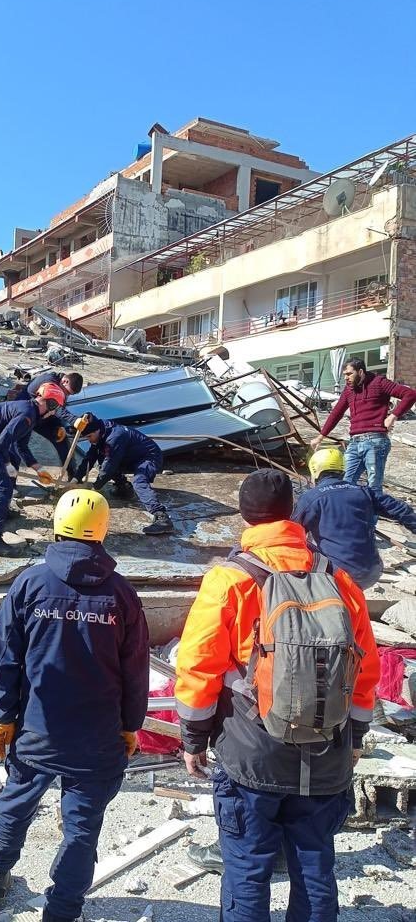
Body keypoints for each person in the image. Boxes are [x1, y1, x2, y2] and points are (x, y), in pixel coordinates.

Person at [175, 469, 379, 922]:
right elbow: (365, 667)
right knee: (314, 865)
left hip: (252, 751)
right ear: (293, 514)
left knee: (248, 866)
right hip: (326, 750)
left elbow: (198, 664)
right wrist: (357, 737)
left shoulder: (231, 579)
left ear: (245, 517)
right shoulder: (339, 579)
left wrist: (193, 738)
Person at [0, 489, 149, 922]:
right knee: (82, 827)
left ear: (56, 527)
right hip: (98, 736)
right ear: (103, 532)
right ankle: (62, 911)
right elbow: (135, 670)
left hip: (38, 727)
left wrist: (4, 716)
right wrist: (131, 725)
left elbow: (5, 658)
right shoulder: (122, 595)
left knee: (15, 803)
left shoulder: (29, 584)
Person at [293, 446, 416, 589]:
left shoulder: (310, 498)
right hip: (371, 571)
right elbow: (401, 510)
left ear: (314, 471)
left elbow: (290, 530)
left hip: (337, 574)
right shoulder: (364, 491)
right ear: (342, 470)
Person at [0, 386, 65, 557]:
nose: (54, 413)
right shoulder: (27, 414)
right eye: (55, 408)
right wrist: (7, 463)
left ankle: (2, 509)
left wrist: (38, 469)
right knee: (2, 488)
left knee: (9, 472)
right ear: (50, 403)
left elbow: (21, 445)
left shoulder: (31, 414)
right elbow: (3, 442)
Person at [311, 357, 416, 494]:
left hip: (375, 441)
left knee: (373, 487)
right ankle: (349, 514)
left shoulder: (379, 382)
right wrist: (320, 437)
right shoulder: (349, 390)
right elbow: (336, 413)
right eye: (344, 375)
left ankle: (372, 515)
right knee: (344, 484)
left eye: (349, 374)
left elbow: (410, 394)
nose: (346, 378)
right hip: (354, 442)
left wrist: (392, 416)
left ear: (360, 372)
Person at [74, 418, 173, 535]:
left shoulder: (115, 437)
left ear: (97, 431)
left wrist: (96, 488)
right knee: (100, 459)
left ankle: (161, 517)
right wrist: (77, 478)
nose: (88, 440)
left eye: (89, 436)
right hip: (131, 456)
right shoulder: (101, 431)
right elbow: (90, 457)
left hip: (149, 457)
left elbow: (110, 465)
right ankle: (123, 487)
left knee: (139, 481)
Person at [15, 371, 84, 479]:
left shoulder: (63, 388)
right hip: (24, 413)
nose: (66, 395)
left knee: (61, 440)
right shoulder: (49, 381)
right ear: (65, 381)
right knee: (16, 446)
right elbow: (56, 406)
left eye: (69, 394)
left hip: (43, 416)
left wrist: (59, 426)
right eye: (67, 392)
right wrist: (74, 420)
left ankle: (72, 476)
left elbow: (57, 408)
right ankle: (10, 484)